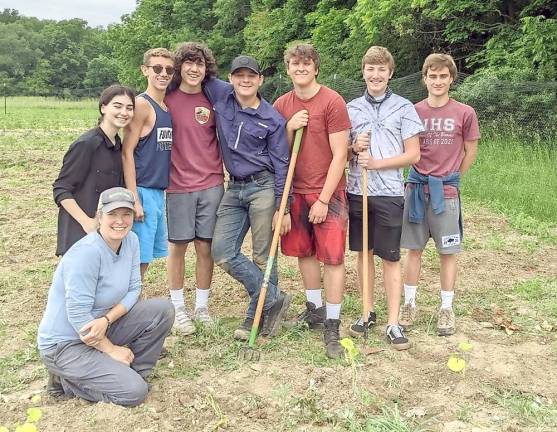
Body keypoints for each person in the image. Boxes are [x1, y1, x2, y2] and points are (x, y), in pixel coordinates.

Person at [37, 187, 174, 406]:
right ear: (99, 217)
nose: (120, 221)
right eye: (112, 214)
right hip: (67, 343)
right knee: (133, 393)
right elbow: (78, 315)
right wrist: (110, 349)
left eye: (126, 214)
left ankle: (133, 371)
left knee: (162, 310)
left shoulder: (131, 242)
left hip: (102, 326)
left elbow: (133, 289)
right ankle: (64, 381)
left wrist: (107, 319)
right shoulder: (87, 253)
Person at [203, 55, 292, 341]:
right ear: (230, 79)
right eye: (239, 75)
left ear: (260, 80)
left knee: (263, 255)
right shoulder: (222, 95)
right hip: (234, 188)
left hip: (263, 187)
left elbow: (282, 165)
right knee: (222, 251)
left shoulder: (272, 119)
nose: (245, 80)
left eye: (251, 75)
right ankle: (274, 298)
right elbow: (196, 72)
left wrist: (282, 206)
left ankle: (258, 315)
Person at [273, 44, 351, 359]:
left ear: (316, 68)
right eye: (295, 63)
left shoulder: (332, 102)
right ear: (288, 69)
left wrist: (323, 199)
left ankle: (333, 321)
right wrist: (289, 128)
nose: (301, 68)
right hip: (295, 192)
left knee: (332, 258)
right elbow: (278, 154)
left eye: (307, 63)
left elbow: (340, 155)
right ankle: (315, 309)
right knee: (303, 252)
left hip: (326, 193)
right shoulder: (281, 104)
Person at [346, 46, 423, 350]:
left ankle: (393, 323)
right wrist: (355, 146)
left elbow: (413, 154)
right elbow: (343, 151)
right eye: (370, 69)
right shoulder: (350, 108)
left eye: (381, 70)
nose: (375, 75)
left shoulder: (404, 107)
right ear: (363, 71)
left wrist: (377, 163)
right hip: (358, 190)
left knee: (390, 257)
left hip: (390, 192)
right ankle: (367, 312)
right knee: (363, 254)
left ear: (390, 73)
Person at [399, 53, 480, 336]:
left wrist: (453, 178)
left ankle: (446, 308)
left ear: (451, 79)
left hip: (445, 192)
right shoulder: (413, 111)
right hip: (417, 189)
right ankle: (409, 304)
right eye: (432, 76)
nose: (438, 81)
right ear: (424, 79)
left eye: (443, 76)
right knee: (414, 250)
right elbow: (406, 148)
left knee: (448, 252)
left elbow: (470, 151)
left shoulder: (465, 113)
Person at [164, 42, 224, 334]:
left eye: (199, 63)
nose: (193, 68)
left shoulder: (214, 98)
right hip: (178, 186)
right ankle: (177, 307)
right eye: (188, 63)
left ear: (206, 68)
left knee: (205, 247)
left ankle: (202, 307)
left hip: (211, 184)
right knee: (178, 247)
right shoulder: (167, 99)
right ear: (179, 66)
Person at [53, 85, 136, 256]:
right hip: (80, 234)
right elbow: (61, 188)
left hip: (106, 232)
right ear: (103, 107)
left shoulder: (117, 145)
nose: (124, 112)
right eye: (117, 106)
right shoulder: (87, 144)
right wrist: (87, 222)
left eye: (129, 108)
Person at [122, 48, 174, 279]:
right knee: (135, 260)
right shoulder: (142, 105)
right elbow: (126, 152)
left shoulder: (165, 107)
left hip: (157, 192)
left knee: (145, 260)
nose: (163, 73)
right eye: (157, 68)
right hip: (142, 190)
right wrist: (133, 198)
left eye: (169, 69)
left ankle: (131, 307)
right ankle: (124, 311)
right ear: (145, 70)